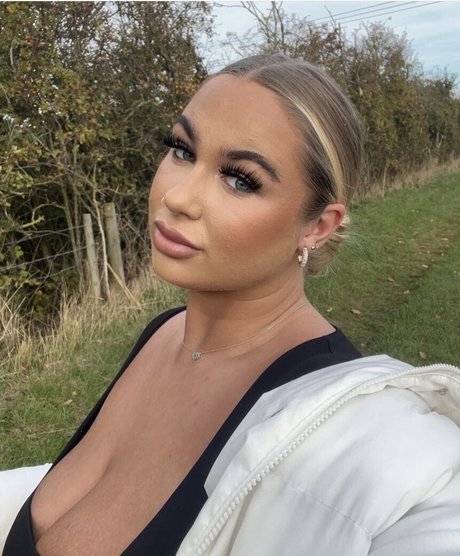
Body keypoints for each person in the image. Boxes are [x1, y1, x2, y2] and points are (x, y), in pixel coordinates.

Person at [2, 54, 460, 556]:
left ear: (317, 226)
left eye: (240, 179)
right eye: (182, 150)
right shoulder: (163, 332)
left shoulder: (359, 433)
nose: (179, 198)